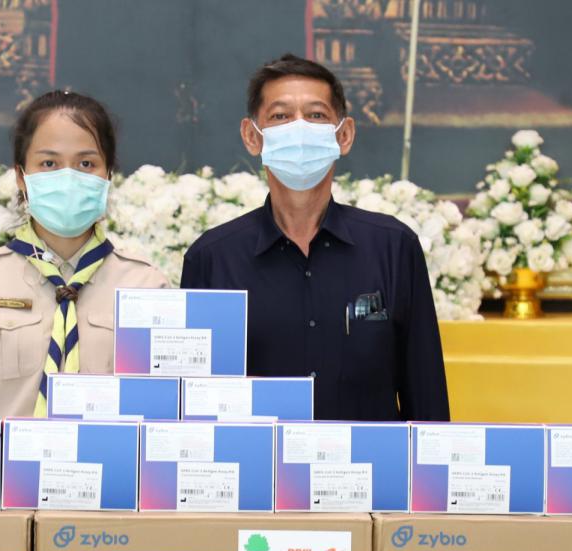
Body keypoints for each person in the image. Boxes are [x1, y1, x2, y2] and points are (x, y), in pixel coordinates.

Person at [181, 54, 449, 422]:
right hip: (258, 460)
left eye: (316, 115)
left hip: (368, 460)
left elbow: (426, 397)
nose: (299, 128)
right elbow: (195, 404)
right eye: (280, 116)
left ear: (344, 135)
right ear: (252, 136)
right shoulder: (212, 258)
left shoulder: (393, 247)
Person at [0, 90, 168, 419]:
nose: (68, 177)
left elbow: (160, 414)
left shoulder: (146, 284)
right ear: (21, 177)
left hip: (107, 455)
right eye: (49, 163)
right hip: (5, 455)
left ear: (108, 175)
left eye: (86, 164)